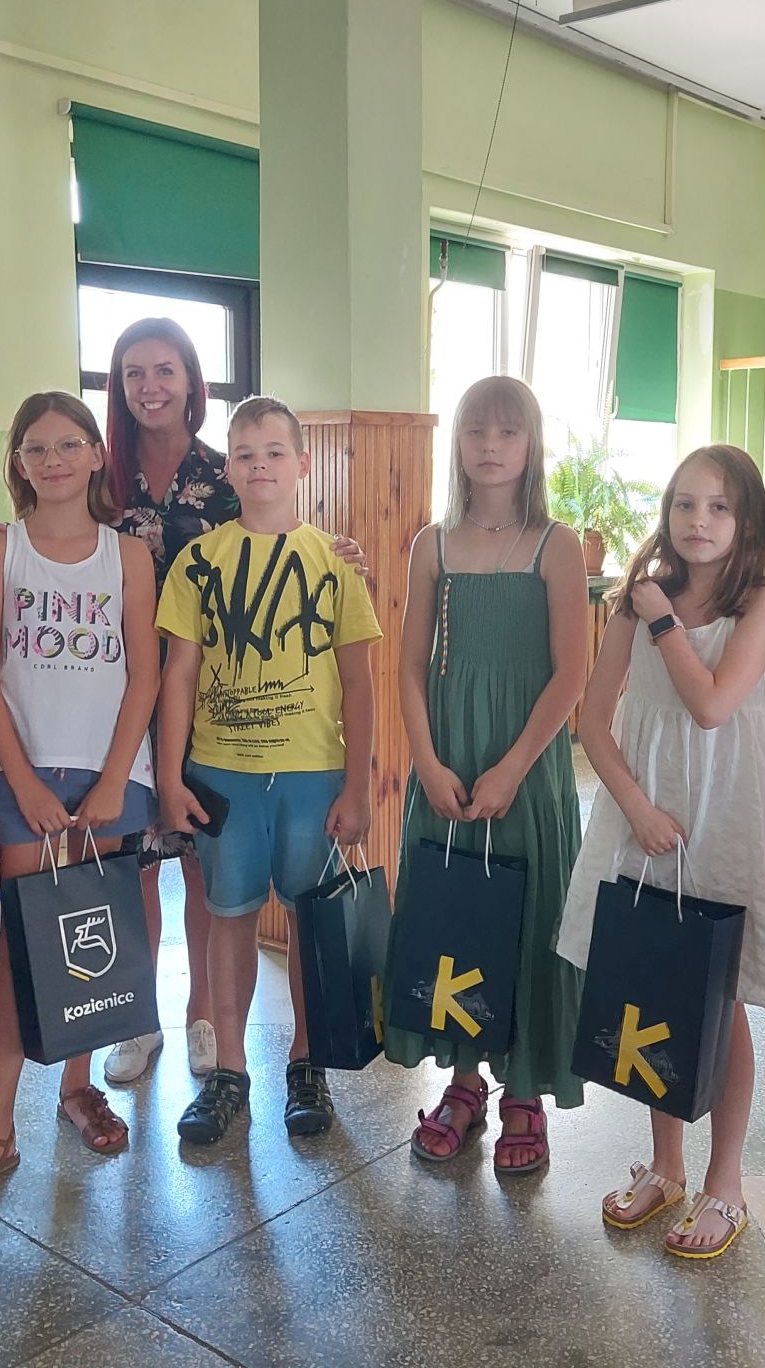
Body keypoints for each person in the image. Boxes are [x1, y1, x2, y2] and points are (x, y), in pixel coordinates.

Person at [94, 318, 366, 1088]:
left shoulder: (224, 475)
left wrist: (342, 554)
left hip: (223, 710)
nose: (150, 385)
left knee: (209, 884)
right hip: (117, 697)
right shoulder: (100, 480)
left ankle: (207, 1030)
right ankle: (138, 1024)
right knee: (133, 870)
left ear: (192, 381)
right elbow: (48, 527)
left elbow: (286, 542)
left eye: (165, 369)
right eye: (134, 372)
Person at [556, 444, 765, 1258]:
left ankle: (725, 1182)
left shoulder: (763, 598)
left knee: (720, 994)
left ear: (747, 519)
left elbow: (712, 705)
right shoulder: (636, 600)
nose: (698, 520)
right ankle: (665, 1165)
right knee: (654, 982)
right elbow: (594, 720)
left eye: (719, 507)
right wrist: (635, 808)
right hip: (648, 808)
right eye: (684, 504)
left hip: (732, 811)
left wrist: (662, 617)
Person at [0, 391, 159, 1217]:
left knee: (90, 940)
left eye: (68, 444)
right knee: (26, 952)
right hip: (24, 774)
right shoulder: (1, 550)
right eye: (36, 448)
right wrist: (19, 782)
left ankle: (76, 1086)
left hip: (109, 779)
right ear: (18, 463)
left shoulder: (129, 555)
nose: (53, 460)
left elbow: (145, 673)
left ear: (96, 455)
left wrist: (115, 777)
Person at [154, 395, 381, 1145]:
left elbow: (360, 681)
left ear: (302, 464)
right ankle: (228, 1073)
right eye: (245, 454)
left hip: (313, 775)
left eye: (275, 452)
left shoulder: (335, 563)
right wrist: (170, 775)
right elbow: (179, 674)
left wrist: (358, 785)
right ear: (227, 467)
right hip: (223, 774)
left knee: (311, 925)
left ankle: (306, 1065)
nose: (260, 466)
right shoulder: (197, 562)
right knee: (229, 919)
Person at [388, 376, 589, 1175]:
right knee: (453, 917)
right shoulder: (432, 543)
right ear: (459, 441)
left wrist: (511, 768)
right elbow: (409, 665)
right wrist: (426, 760)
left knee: (529, 915)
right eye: (477, 430)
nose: (491, 446)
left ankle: (524, 1089)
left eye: (508, 432)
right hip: (449, 756)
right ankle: (464, 1081)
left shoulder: (556, 544)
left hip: (525, 762)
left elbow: (572, 673)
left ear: (531, 444)